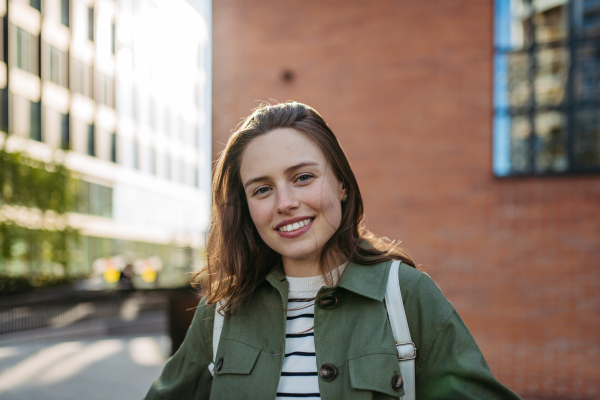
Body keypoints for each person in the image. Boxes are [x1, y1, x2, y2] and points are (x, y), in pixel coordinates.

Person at [145, 102, 521, 400]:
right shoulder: (222, 309)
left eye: (303, 177)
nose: (285, 203)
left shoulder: (407, 297)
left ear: (341, 182)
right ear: (246, 208)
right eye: (262, 189)